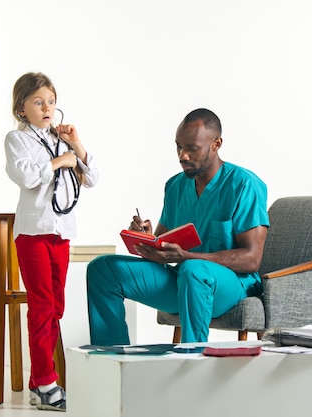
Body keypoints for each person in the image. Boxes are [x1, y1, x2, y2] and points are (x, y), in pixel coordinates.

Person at [86, 108, 268, 345]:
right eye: (178, 147)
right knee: (103, 269)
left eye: (192, 148)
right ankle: (112, 359)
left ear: (216, 144)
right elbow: (163, 247)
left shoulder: (244, 185)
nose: (183, 155)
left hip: (231, 286)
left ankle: (192, 359)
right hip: (184, 280)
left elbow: (251, 259)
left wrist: (188, 256)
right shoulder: (175, 186)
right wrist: (147, 239)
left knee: (194, 269)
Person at [4, 72, 99, 411]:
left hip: (61, 233)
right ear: (21, 109)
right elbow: (28, 177)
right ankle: (46, 382)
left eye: (51, 101)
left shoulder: (61, 139)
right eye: (38, 102)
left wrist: (76, 145)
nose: (46, 107)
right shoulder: (17, 141)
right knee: (43, 308)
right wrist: (60, 161)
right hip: (33, 233)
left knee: (55, 307)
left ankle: (36, 383)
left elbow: (93, 178)